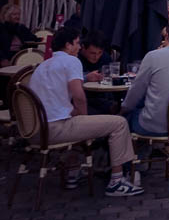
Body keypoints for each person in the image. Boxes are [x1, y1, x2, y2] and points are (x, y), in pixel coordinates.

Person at [27, 26, 143, 197]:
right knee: (119, 123)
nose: (79, 47)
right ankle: (117, 181)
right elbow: (79, 96)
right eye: (76, 43)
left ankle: (74, 172)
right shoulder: (71, 61)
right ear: (68, 45)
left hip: (35, 130)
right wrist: (83, 117)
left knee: (91, 120)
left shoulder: (43, 65)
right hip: (55, 129)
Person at [121, 20, 169, 136]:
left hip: (153, 126)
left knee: (124, 118)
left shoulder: (153, 56)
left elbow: (137, 89)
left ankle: (132, 152)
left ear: (167, 36)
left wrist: (124, 108)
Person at [78, 30, 115, 114]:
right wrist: (87, 77)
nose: (96, 57)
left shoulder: (105, 57)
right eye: (92, 53)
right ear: (83, 47)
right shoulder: (76, 58)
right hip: (83, 99)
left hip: (102, 95)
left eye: (100, 53)